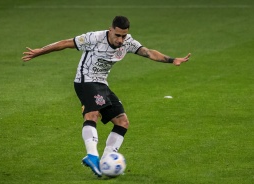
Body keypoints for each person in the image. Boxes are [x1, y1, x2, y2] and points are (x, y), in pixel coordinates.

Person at [22, 16, 191, 177]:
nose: (120, 40)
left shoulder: (128, 42)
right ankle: (92, 155)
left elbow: (148, 52)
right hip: (85, 80)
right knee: (92, 114)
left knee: (122, 122)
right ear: (110, 30)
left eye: (123, 36)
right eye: (117, 35)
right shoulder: (94, 38)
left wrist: (172, 60)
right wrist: (40, 51)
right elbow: (66, 43)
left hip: (102, 84)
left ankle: (105, 162)